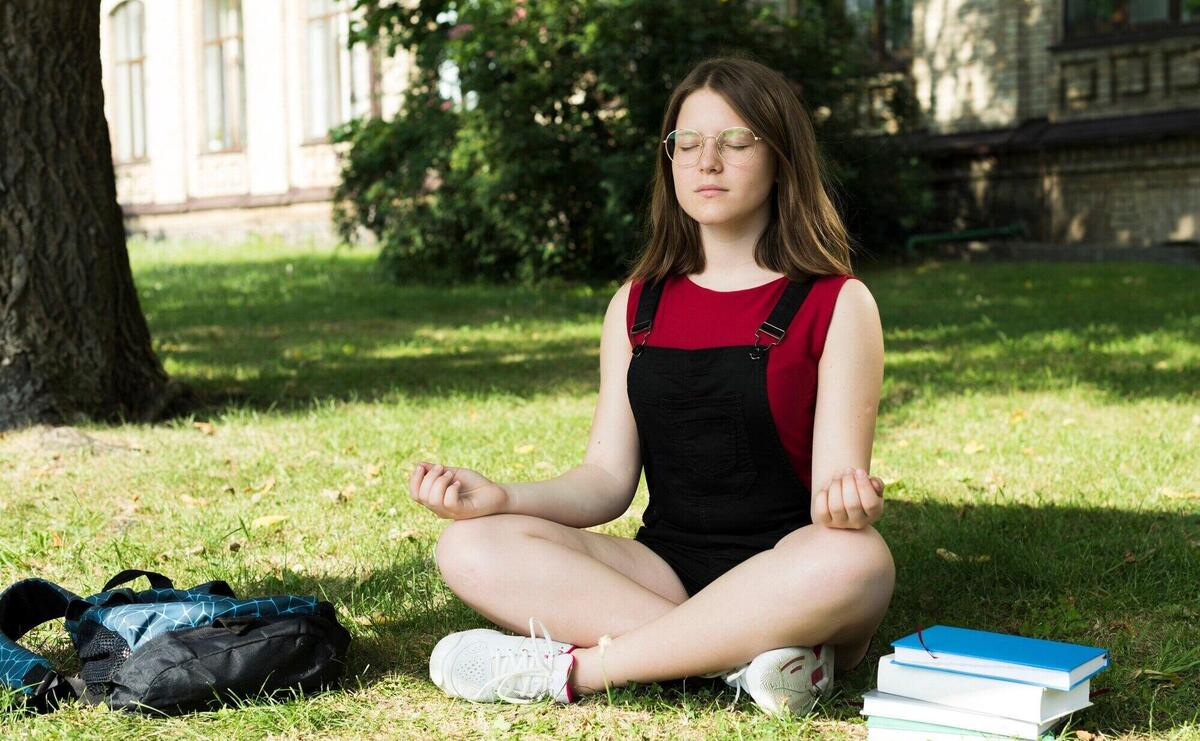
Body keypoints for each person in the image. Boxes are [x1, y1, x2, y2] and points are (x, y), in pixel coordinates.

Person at [409, 54, 895, 716]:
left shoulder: (838, 303)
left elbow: (832, 498)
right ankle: (749, 659)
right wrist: (502, 496)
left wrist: (849, 506)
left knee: (859, 559)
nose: (707, 162)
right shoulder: (635, 305)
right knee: (467, 543)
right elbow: (606, 481)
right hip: (664, 570)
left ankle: (580, 669)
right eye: (687, 144)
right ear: (669, 161)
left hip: (793, 567)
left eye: (736, 141)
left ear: (782, 157)